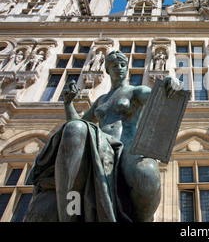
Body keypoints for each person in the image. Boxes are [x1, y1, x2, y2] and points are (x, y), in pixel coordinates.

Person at [24, 51, 182, 222]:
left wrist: (169, 84)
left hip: (127, 144)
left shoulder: (135, 91)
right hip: (102, 142)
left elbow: (155, 97)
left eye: (122, 65)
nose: (119, 68)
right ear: (107, 69)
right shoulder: (101, 100)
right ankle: (71, 213)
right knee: (74, 129)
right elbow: (79, 124)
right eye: (114, 65)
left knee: (147, 174)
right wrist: (68, 103)